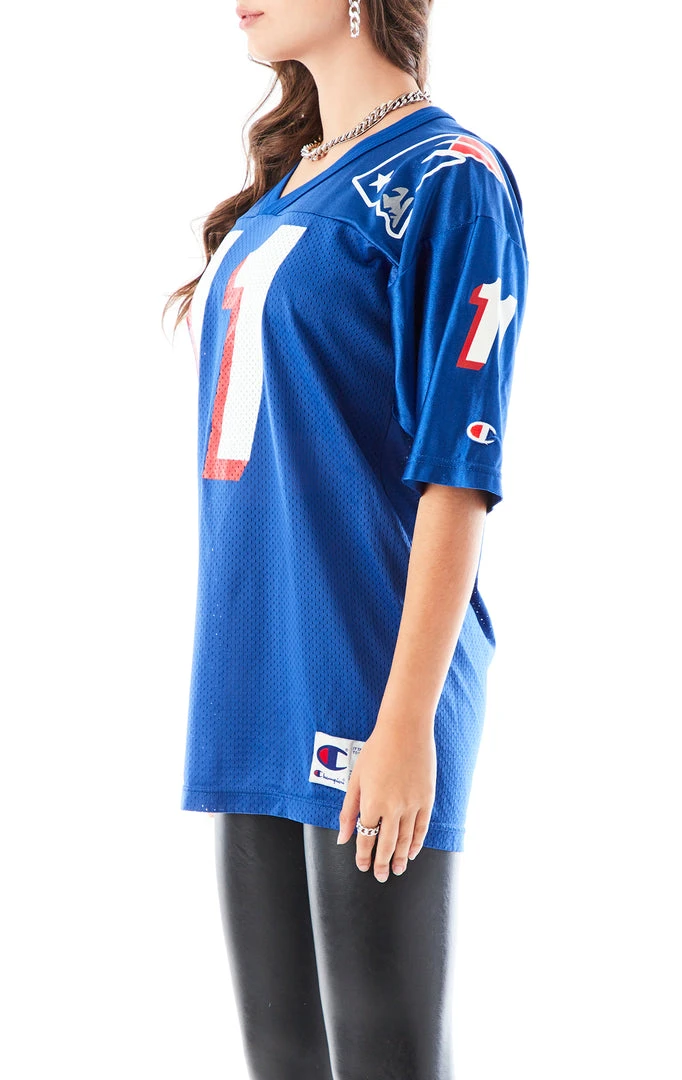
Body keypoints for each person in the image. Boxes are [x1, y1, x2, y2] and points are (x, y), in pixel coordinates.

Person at [163, 1, 528, 1077]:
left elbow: (458, 470)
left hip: (371, 672)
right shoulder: (291, 183)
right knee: (282, 1060)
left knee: (384, 1060)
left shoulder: (451, 178)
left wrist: (404, 721)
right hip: (252, 671)